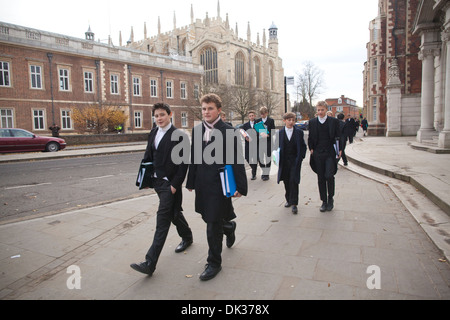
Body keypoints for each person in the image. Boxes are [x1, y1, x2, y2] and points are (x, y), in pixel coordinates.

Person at [186, 93, 248, 281]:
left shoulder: (228, 131)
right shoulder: (197, 131)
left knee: (212, 224)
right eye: (204, 109)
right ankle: (229, 227)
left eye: (210, 108)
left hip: (222, 184)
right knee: (210, 218)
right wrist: (190, 181)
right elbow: (195, 157)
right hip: (203, 184)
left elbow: (237, 160)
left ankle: (214, 263)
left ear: (219, 110)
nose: (206, 112)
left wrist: (240, 187)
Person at [130, 103, 193, 276]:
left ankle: (150, 262)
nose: (159, 118)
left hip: (170, 184)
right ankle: (187, 236)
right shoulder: (154, 132)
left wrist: (175, 185)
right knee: (173, 213)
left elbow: (183, 164)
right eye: (156, 116)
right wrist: (147, 179)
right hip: (157, 183)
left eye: (162, 115)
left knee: (162, 220)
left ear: (170, 115)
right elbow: (148, 156)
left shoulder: (179, 136)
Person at [308, 101, 342, 212]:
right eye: (318, 110)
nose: (320, 112)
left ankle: (330, 198)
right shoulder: (312, 122)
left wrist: (340, 149)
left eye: (322, 110)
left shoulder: (333, 121)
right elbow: (311, 137)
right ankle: (324, 201)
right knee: (321, 177)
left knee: (329, 175)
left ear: (326, 110)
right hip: (318, 153)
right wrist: (311, 148)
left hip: (330, 153)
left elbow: (339, 136)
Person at [277, 112, 307, 214]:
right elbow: (276, 147)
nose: (291, 122)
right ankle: (288, 199)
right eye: (289, 120)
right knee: (286, 181)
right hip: (284, 161)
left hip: (295, 160)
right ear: (284, 121)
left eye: (293, 120)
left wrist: (301, 157)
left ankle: (294, 203)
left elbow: (303, 146)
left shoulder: (299, 132)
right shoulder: (280, 133)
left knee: (294, 181)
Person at [255, 106, 276, 181]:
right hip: (260, 142)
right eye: (261, 114)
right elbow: (255, 131)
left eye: (263, 114)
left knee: (267, 158)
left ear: (266, 113)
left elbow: (273, 131)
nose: (262, 115)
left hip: (268, 142)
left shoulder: (271, 120)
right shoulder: (257, 121)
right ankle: (264, 170)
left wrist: (267, 135)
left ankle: (266, 174)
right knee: (260, 158)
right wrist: (259, 134)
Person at [242, 110, 258, 180]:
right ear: (248, 117)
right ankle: (253, 168)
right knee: (247, 158)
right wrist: (245, 137)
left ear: (254, 116)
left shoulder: (258, 124)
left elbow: (262, 132)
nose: (251, 117)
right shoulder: (245, 125)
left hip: (256, 144)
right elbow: (243, 133)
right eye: (250, 116)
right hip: (248, 144)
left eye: (252, 115)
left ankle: (253, 174)